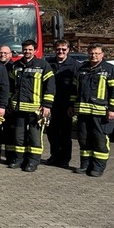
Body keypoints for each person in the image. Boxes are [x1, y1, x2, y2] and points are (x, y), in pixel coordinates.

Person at [71, 43, 114, 177]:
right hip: (83, 112)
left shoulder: (111, 70)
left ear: (102, 55)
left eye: (96, 53)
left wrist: (113, 109)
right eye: (91, 53)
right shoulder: (81, 70)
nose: (93, 56)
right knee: (83, 139)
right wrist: (72, 105)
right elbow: (74, 90)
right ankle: (85, 165)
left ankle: (98, 167)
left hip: (101, 114)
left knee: (99, 140)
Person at [7, 40, 55, 172]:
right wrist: (10, 102)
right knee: (18, 136)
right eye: (25, 49)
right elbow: (10, 87)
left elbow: (50, 88)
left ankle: (33, 161)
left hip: (35, 109)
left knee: (35, 137)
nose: (27, 52)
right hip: (18, 108)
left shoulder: (43, 66)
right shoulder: (16, 65)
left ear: (34, 50)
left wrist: (46, 105)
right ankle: (19, 159)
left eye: (29, 49)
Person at [45, 39, 80, 168]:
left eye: (63, 49)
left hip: (66, 105)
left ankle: (65, 159)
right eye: (58, 49)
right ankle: (54, 156)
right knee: (51, 132)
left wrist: (72, 105)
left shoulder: (75, 65)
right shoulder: (48, 63)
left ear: (68, 50)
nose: (61, 51)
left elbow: (76, 88)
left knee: (65, 134)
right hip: (50, 104)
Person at [0, 45, 14, 162]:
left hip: (10, 105)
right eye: (1, 53)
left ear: (10, 54)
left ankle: (10, 156)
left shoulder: (14, 67)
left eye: (5, 53)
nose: (2, 55)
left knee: (10, 132)